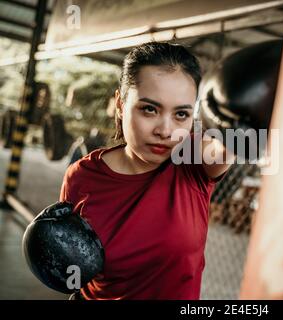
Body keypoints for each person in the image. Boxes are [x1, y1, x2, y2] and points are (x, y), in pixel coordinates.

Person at [59, 42, 233, 300]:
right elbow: (71, 267)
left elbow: (229, 146)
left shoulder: (193, 158)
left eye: (181, 114)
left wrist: (236, 119)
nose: (165, 130)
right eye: (149, 109)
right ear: (120, 104)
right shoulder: (81, 176)